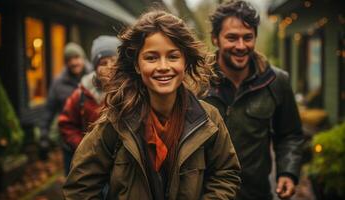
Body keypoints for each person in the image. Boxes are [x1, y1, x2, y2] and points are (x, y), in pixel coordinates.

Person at [64, 10, 241, 199]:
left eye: (173, 56)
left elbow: (226, 173)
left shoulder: (209, 120)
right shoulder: (116, 122)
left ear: (185, 62)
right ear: (137, 65)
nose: (163, 66)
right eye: (151, 57)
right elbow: (80, 187)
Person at [205, 1, 305, 200]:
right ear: (215, 39)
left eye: (248, 37)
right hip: (206, 194)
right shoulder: (197, 83)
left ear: (255, 37)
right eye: (232, 38)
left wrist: (287, 171)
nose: (241, 46)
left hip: (257, 194)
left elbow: (290, 134)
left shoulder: (277, 81)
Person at [58, 35, 120, 175]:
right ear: (95, 68)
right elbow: (65, 123)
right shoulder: (82, 93)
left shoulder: (131, 93)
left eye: (114, 61)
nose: (110, 67)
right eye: (103, 63)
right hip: (92, 163)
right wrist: (83, 146)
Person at [39, 42, 92, 159]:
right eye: (69, 59)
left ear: (83, 58)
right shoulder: (58, 83)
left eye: (76, 57)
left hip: (94, 141)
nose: (73, 62)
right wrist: (43, 136)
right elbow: (49, 110)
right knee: (71, 175)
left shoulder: (95, 77)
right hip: (69, 142)